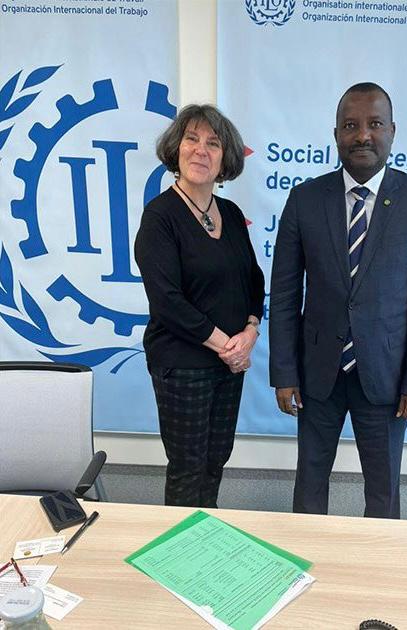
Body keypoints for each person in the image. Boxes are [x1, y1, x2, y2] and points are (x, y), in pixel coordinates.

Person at [269, 83, 407, 518]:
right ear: (336, 134)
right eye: (350, 125)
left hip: (388, 377)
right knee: (310, 480)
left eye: (374, 124)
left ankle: (381, 556)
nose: (363, 135)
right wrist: (284, 373)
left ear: (392, 131)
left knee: (383, 488)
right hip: (317, 374)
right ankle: (306, 552)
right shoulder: (305, 199)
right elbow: (286, 293)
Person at [135, 104, 265, 507]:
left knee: (215, 461)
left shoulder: (231, 213)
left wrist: (251, 330)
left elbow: (253, 279)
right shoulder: (160, 216)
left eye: (213, 143)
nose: (200, 150)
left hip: (229, 364)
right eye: (191, 139)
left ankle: (207, 535)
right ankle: (182, 546)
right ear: (176, 148)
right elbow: (167, 301)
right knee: (188, 468)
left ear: (225, 158)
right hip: (183, 365)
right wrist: (228, 346)